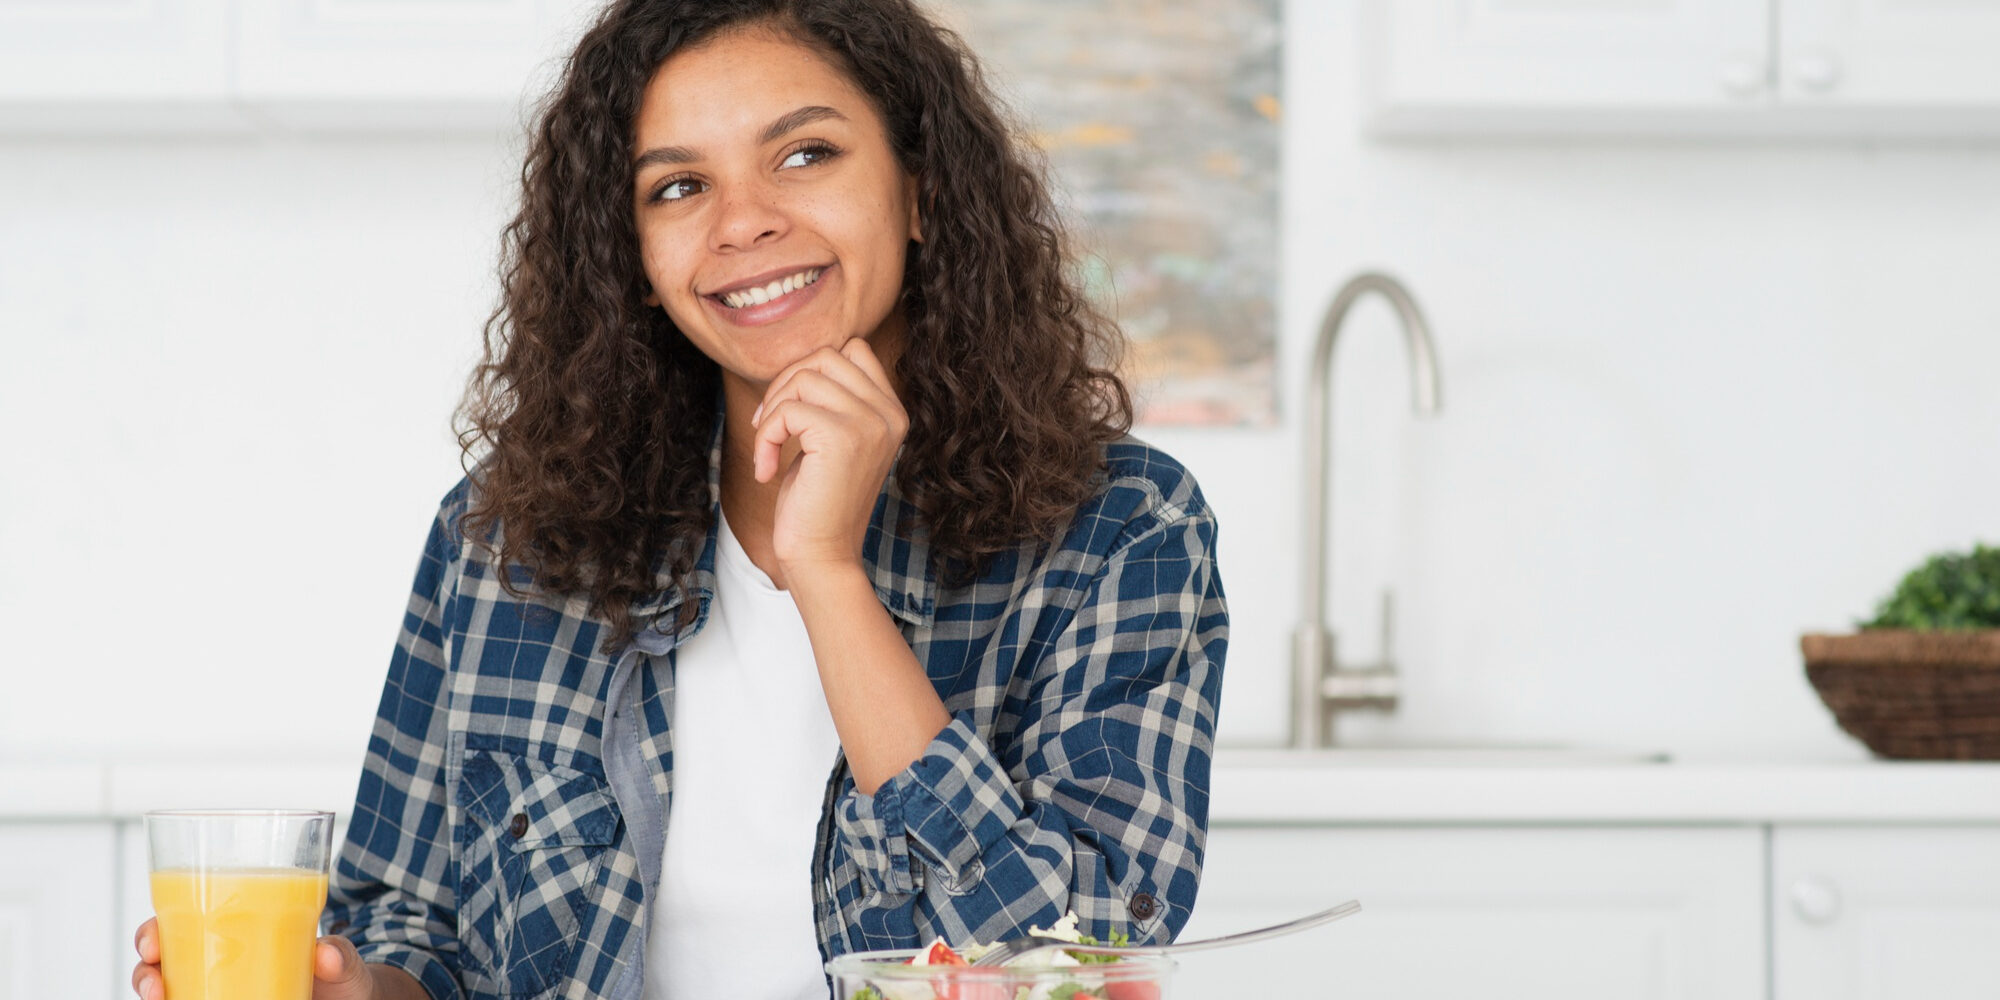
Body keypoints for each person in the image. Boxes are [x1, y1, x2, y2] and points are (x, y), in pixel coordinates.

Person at [130, 0, 1226, 997]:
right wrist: (354, 989)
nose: (740, 223)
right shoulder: (503, 536)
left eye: (804, 154)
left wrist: (829, 575)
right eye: (678, 186)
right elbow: (416, 932)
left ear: (920, 192)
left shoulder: (1119, 527)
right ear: (636, 256)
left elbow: (1073, 962)